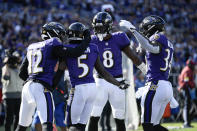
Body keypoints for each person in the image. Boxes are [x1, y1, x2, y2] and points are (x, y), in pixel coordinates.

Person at [15, 21, 91, 131]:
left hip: (27, 88)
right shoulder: (53, 43)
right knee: (47, 125)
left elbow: (22, 73)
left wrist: (35, 81)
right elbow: (76, 52)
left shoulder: (32, 46)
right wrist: (87, 37)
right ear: (53, 34)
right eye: (60, 35)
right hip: (40, 88)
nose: (61, 38)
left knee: (22, 126)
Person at [59, 22, 129, 131]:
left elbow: (60, 70)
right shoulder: (93, 47)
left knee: (71, 125)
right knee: (82, 125)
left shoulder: (66, 48)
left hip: (78, 89)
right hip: (92, 88)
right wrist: (118, 83)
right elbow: (103, 72)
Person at [88, 12, 146, 131]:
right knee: (104, 118)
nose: (98, 30)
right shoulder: (118, 37)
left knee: (99, 118)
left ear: (108, 26)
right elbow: (134, 58)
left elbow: (133, 57)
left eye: (101, 27)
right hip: (113, 83)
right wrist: (146, 71)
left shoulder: (94, 40)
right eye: (96, 28)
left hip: (103, 83)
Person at [119, 15, 175, 131]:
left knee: (147, 125)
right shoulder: (168, 42)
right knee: (155, 126)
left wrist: (133, 30)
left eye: (145, 28)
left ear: (151, 27)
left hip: (155, 85)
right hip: (164, 85)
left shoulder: (158, 37)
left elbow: (152, 47)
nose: (143, 31)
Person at [1, 49, 23, 131]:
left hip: (19, 95)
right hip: (9, 96)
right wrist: (7, 64)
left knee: (18, 116)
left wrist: (17, 64)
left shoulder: (20, 68)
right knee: (9, 117)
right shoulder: (5, 68)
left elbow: (23, 77)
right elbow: (5, 78)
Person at [178, 59, 196, 128]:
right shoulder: (187, 70)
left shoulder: (187, 69)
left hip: (185, 88)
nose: (194, 66)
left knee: (188, 106)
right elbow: (186, 81)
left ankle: (187, 122)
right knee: (187, 106)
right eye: (193, 65)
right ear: (190, 65)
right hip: (185, 89)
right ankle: (186, 123)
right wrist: (193, 85)